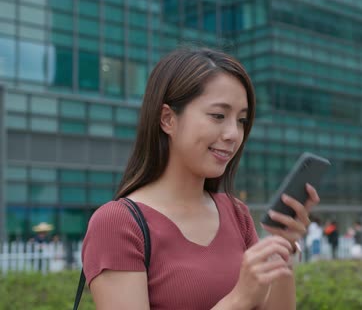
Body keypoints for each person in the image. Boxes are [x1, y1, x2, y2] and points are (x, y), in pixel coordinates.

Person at [82, 48, 320, 310]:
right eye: (218, 115)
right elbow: (243, 300)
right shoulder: (118, 224)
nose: (233, 134)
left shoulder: (236, 213)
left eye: (241, 120)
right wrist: (238, 299)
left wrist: (281, 249)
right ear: (168, 119)